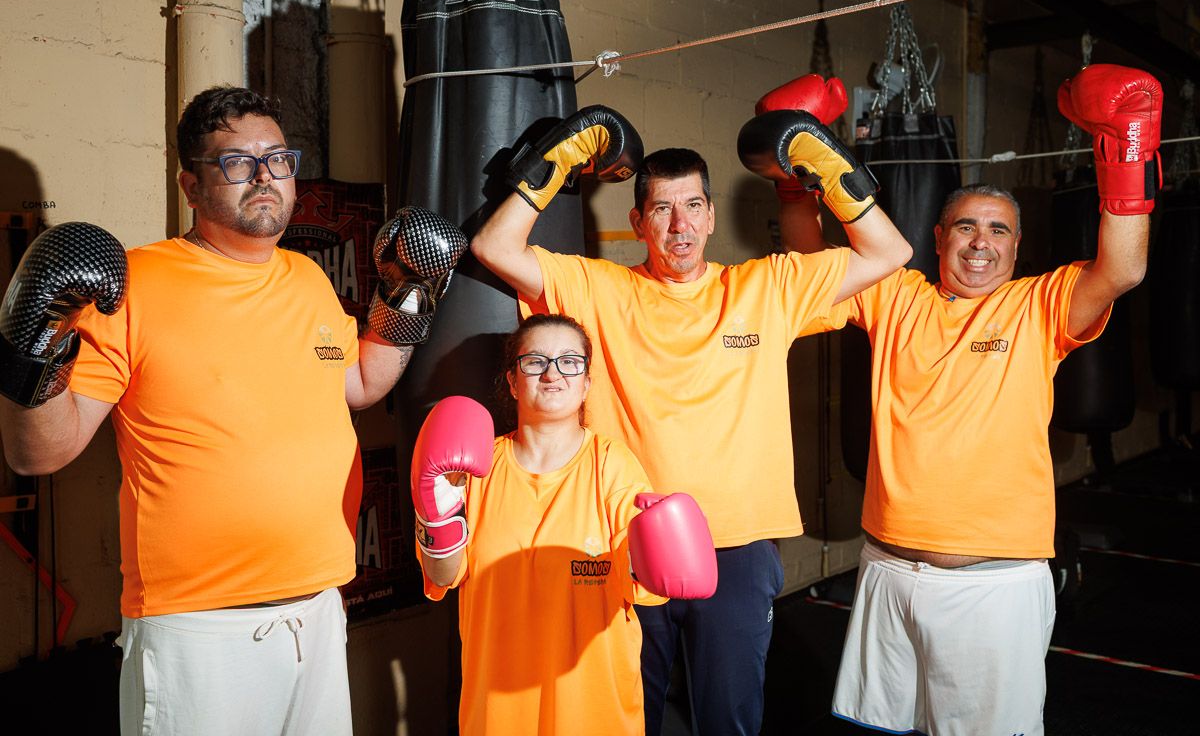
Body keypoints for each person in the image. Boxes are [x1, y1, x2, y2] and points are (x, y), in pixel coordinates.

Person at [0, 86, 466, 735]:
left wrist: (406, 294)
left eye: (278, 159)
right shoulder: (137, 285)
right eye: (238, 162)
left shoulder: (307, 279)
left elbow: (360, 381)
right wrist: (34, 346)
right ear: (191, 186)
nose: (265, 176)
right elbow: (39, 452)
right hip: (198, 630)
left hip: (318, 612)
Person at [471, 92, 912, 735]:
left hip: (737, 546)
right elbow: (494, 245)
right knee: (627, 719)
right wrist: (557, 159)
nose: (679, 225)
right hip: (625, 540)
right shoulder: (601, 289)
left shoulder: (765, 288)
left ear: (709, 217)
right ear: (638, 222)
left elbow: (888, 253)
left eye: (693, 207)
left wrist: (828, 164)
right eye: (662, 209)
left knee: (729, 720)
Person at [766, 63, 1159, 735]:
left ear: (1017, 246)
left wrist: (1129, 148)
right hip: (887, 573)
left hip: (992, 588)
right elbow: (813, 264)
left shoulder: (1039, 304)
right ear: (939, 237)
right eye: (966, 227)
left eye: (998, 230)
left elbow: (1123, 268)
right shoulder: (898, 296)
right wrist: (790, 170)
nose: (981, 243)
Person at [414, 313, 716, 736]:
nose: (552, 373)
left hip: (591, 709)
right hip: (498, 708)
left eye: (569, 362)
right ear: (513, 381)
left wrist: (656, 552)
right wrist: (436, 513)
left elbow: (644, 580)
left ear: (586, 383)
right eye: (535, 361)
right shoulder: (478, 469)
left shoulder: (612, 465)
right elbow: (442, 575)